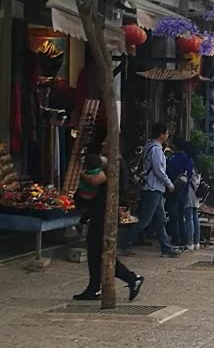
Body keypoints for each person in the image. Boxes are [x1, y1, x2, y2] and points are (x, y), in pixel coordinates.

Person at [74, 155, 143, 301]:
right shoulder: (110, 162)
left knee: (102, 252)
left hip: (106, 214)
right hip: (100, 211)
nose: (104, 144)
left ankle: (131, 278)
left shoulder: (115, 163)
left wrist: (79, 172)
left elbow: (95, 180)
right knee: (97, 252)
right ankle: (95, 287)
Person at [119, 122, 180, 257]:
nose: (168, 135)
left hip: (153, 188)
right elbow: (159, 170)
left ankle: (165, 248)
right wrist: (169, 184)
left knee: (160, 220)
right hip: (153, 188)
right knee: (144, 220)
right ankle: (123, 244)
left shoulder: (149, 146)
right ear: (161, 134)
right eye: (166, 133)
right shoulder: (156, 150)